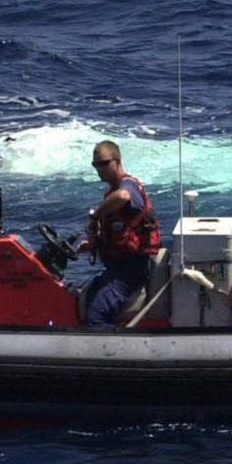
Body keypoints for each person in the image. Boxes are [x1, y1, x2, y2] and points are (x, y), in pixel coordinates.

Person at [82, 140, 161, 327]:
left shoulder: (128, 187)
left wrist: (95, 217)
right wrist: (93, 244)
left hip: (130, 272)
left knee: (95, 318)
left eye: (103, 163)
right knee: (85, 297)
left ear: (117, 161)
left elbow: (123, 197)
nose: (99, 169)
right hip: (116, 269)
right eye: (95, 164)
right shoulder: (112, 190)